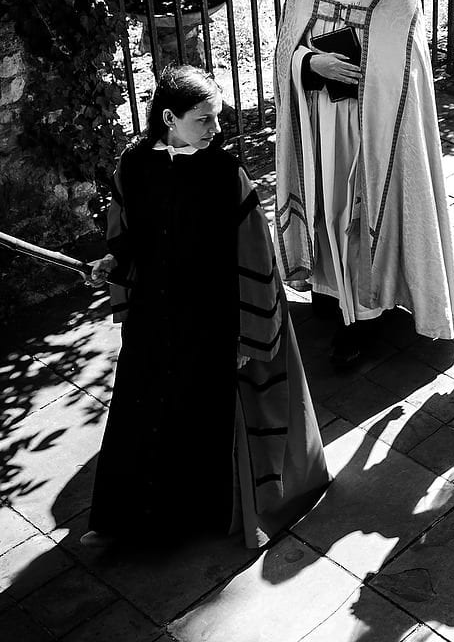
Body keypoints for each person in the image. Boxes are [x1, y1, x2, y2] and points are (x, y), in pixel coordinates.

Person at [85, 66, 331, 548]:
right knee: (142, 411)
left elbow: (256, 257)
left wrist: (248, 335)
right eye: (204, 119)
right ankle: (121, 522)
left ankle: (193, 519)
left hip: (211, 318)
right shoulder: (133, 166)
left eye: (217, 117)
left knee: (202, 417)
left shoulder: (224, 174)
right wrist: (115, 259)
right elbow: (131, 233)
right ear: (169, 118)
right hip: (154, 316)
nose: (216, 130)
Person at [273, 0, 454, 367]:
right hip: (318, 121)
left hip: (376, 133)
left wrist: (372, 77)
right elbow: (285, 55)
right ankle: (329, 289)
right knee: (324, 206)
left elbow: (409, 74)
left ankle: (362, 310)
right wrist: (310, 62)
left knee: (358, 210)